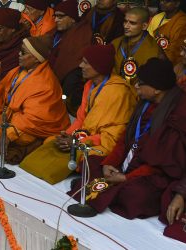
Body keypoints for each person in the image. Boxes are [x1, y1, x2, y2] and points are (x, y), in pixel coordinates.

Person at [69, 58, 186, 220]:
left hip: (151, 172)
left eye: (141, 82)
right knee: (91, 163)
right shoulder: (145, 102)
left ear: (157, 89)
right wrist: (109, 162)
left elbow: (162, 164)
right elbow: (126, 136)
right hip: (127, 162)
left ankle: (112, 191)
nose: (136, 85)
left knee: (137, 195)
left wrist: (126, 177)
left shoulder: (177, 112)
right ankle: (110, 189)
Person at [20, 44, 137, 185]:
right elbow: (80, 119)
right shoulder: (90, 85)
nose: (80, 65)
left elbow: (112, 136)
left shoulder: (118, 92)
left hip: (104, 144)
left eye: (86, 63)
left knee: (79, 157)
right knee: (51, 142)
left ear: (99, 67)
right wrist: (67, 136)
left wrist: (77, 142)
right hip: (84, 138)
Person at [48, 0, 92, 116]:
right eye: (55, 16)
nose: (56, 20)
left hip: (71, 82)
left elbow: (72, 62)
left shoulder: (81, 34)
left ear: (72, 18)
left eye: (60, 17)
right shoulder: (55, 33)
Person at [112, 7, 163, 86]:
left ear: (144, 26)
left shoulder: (154, 49)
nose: (126, 26)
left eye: (132, 23)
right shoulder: (116, 43)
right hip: (115, 88)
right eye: (125, 21)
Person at [147, 0, 186, 65]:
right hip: (152, 58)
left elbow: (175, 51)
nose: (162, 2)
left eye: (167, 1)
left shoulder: (182, 22)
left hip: (170, 64)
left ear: (177, 3)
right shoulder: (157, 17)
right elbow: (148, 40)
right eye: (161, 0)